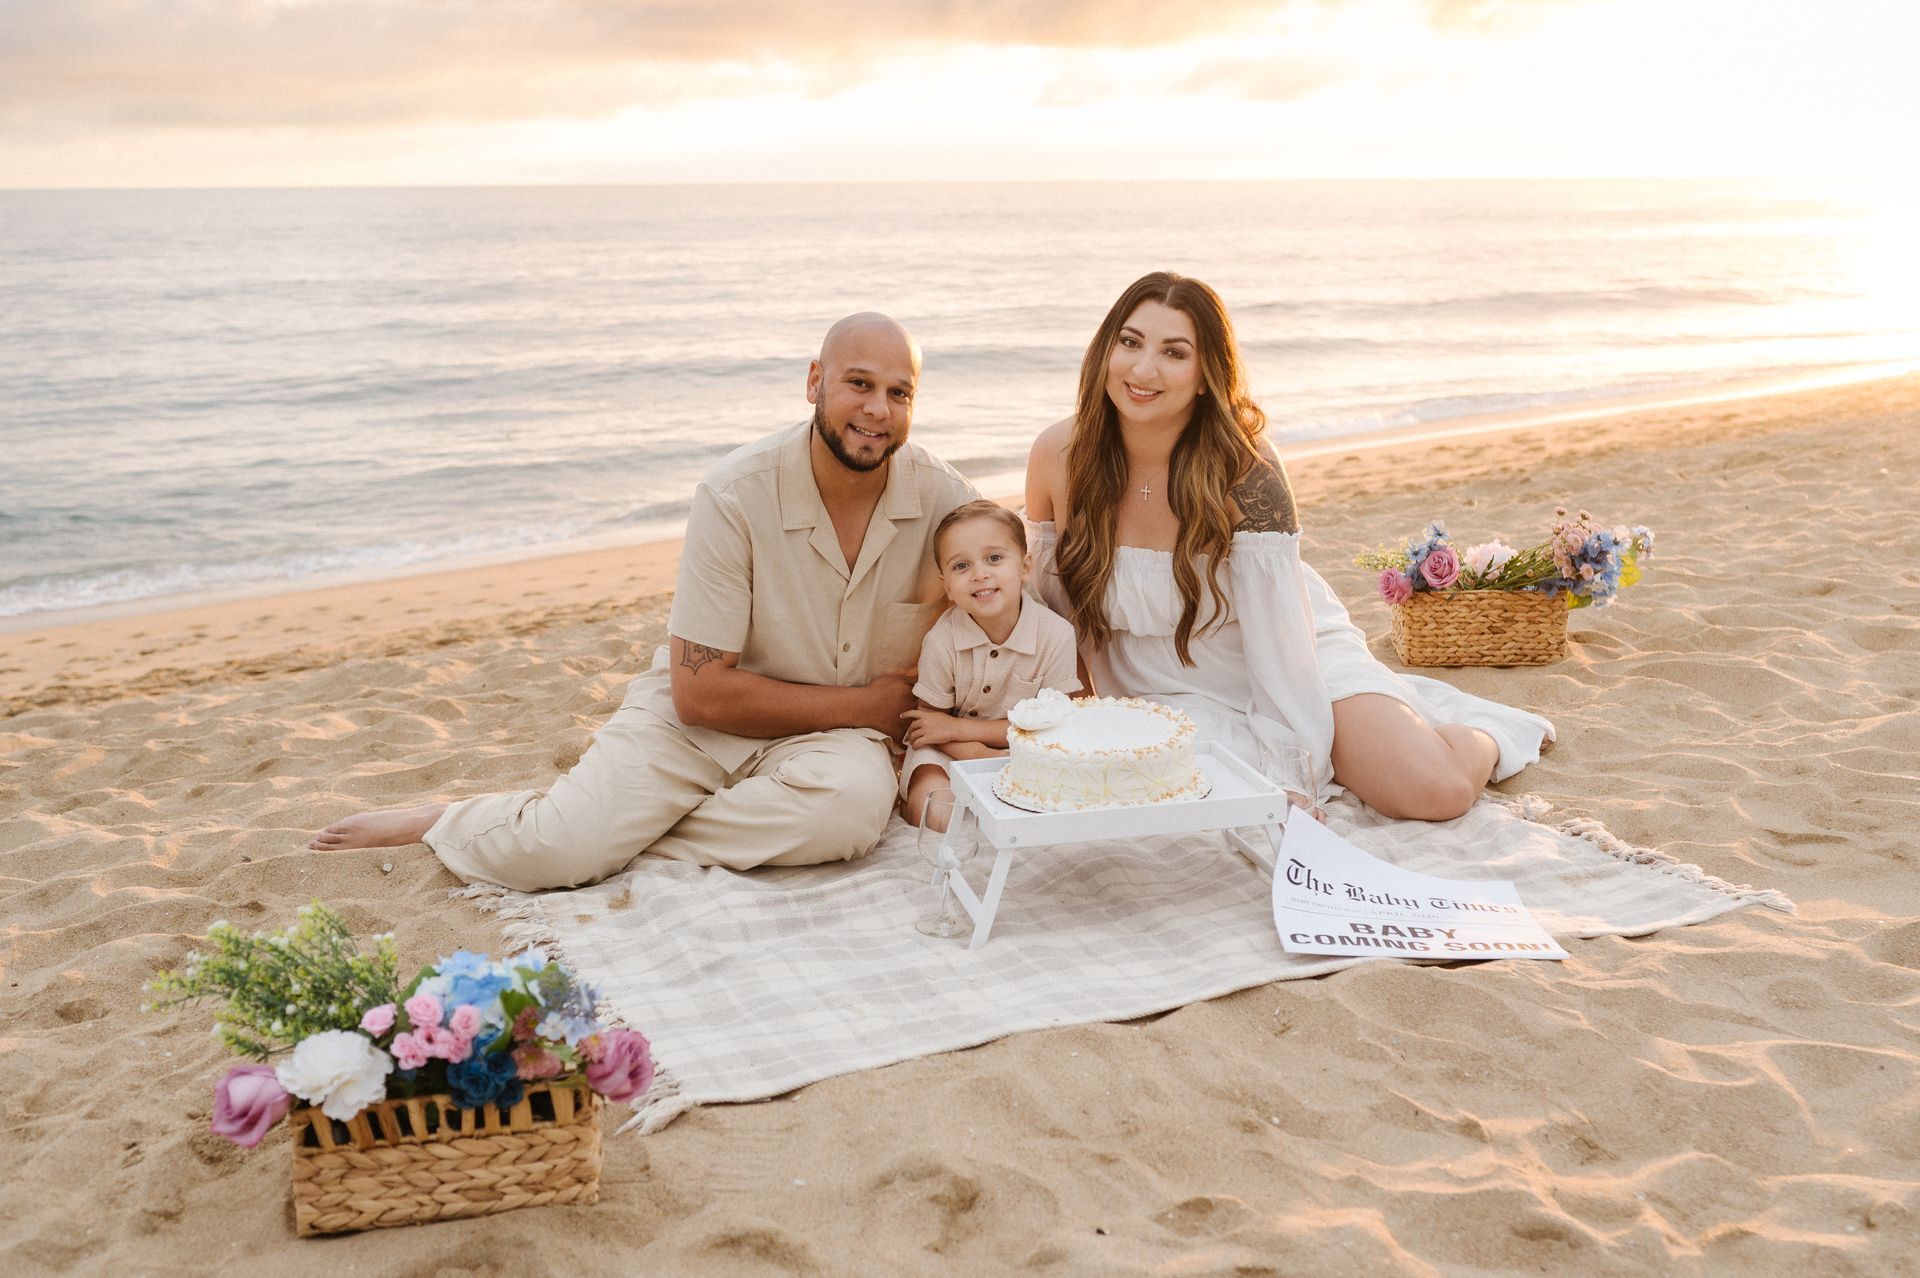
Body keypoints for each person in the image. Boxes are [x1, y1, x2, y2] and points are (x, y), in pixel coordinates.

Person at [310, 312, 980, 890]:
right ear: (815, 382)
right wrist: (866, 705)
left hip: (835, 745)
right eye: (859, 384)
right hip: (705, 724)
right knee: (555, 855)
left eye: (900, 393)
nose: (877, 410)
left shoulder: (944, 499)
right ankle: (462, 820)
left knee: (850, 815)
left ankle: (596, 828)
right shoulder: (734, 494)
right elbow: (700, 695)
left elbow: (1017, 595)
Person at [1024, 272, 1552, 818]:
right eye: (1130, 342)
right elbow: (1052, 600)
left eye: (1174, 353)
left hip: (1284, 653)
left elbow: (1279, 636)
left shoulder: (1247, 469)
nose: (1143, 369)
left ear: (1206, 376)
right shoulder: (1058, 454)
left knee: (1431, 793)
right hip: (1145, 678)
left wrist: (1289, 768)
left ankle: (1488, 733)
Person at [897, 499, 1080, 825]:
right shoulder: (942, 641)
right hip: (946, 751)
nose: (980, 574)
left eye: (994, 558)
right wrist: (972, 752)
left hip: (1024, 750)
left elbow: (1055, 730)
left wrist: (971, 737)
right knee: (936, 811)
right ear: (947, 588)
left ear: (1025, 567)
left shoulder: (1056, 636)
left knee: (1055, 797)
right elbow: (930, 729)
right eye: (961, 566)